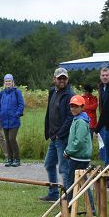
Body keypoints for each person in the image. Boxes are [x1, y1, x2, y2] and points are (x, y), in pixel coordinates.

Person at [39, 68, 75, 202]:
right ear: (54, 79)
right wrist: (49, 132)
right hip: (53, 137)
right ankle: (53, 193)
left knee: (64, 169)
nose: (62, 80)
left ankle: (67, 197)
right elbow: (50, 112)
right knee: (49, 164)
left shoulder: (70, 95)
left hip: (62, 138)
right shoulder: (52, 92)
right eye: (59, 78)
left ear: (67, 79)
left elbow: (70, 117)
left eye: (64, 78)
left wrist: (60, 134)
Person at [63, 95, 94, 207]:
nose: (73, 109)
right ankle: (91, 208)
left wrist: (68, 151)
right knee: (83, 183)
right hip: (79, 156)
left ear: (82, 107)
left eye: (76, 106)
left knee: (70, 182)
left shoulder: (80, 121)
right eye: (71, 106)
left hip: (77, 157)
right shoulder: (78, 119)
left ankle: (68, 206)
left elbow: (79, 141)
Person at [0, 73, 25, 167]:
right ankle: (10, 159)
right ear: (4, 82)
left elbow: (21, 104)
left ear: (12, 82)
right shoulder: (2, 93)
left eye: (9, 81)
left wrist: (16, 114)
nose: (8, 83)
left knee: (11, 139)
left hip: (14, 120)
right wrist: (0, 114)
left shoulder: (17, 92)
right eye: (6, 81)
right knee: (7, 140)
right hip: (4, 120)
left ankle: (17, 159)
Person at [97, 67, 109, 162]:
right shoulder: (101, 87)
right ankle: (108, 164)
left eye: (107, 75)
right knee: (106, 144)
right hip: (103, 120)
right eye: (103, 75)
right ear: (100, 76)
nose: (105, 77)